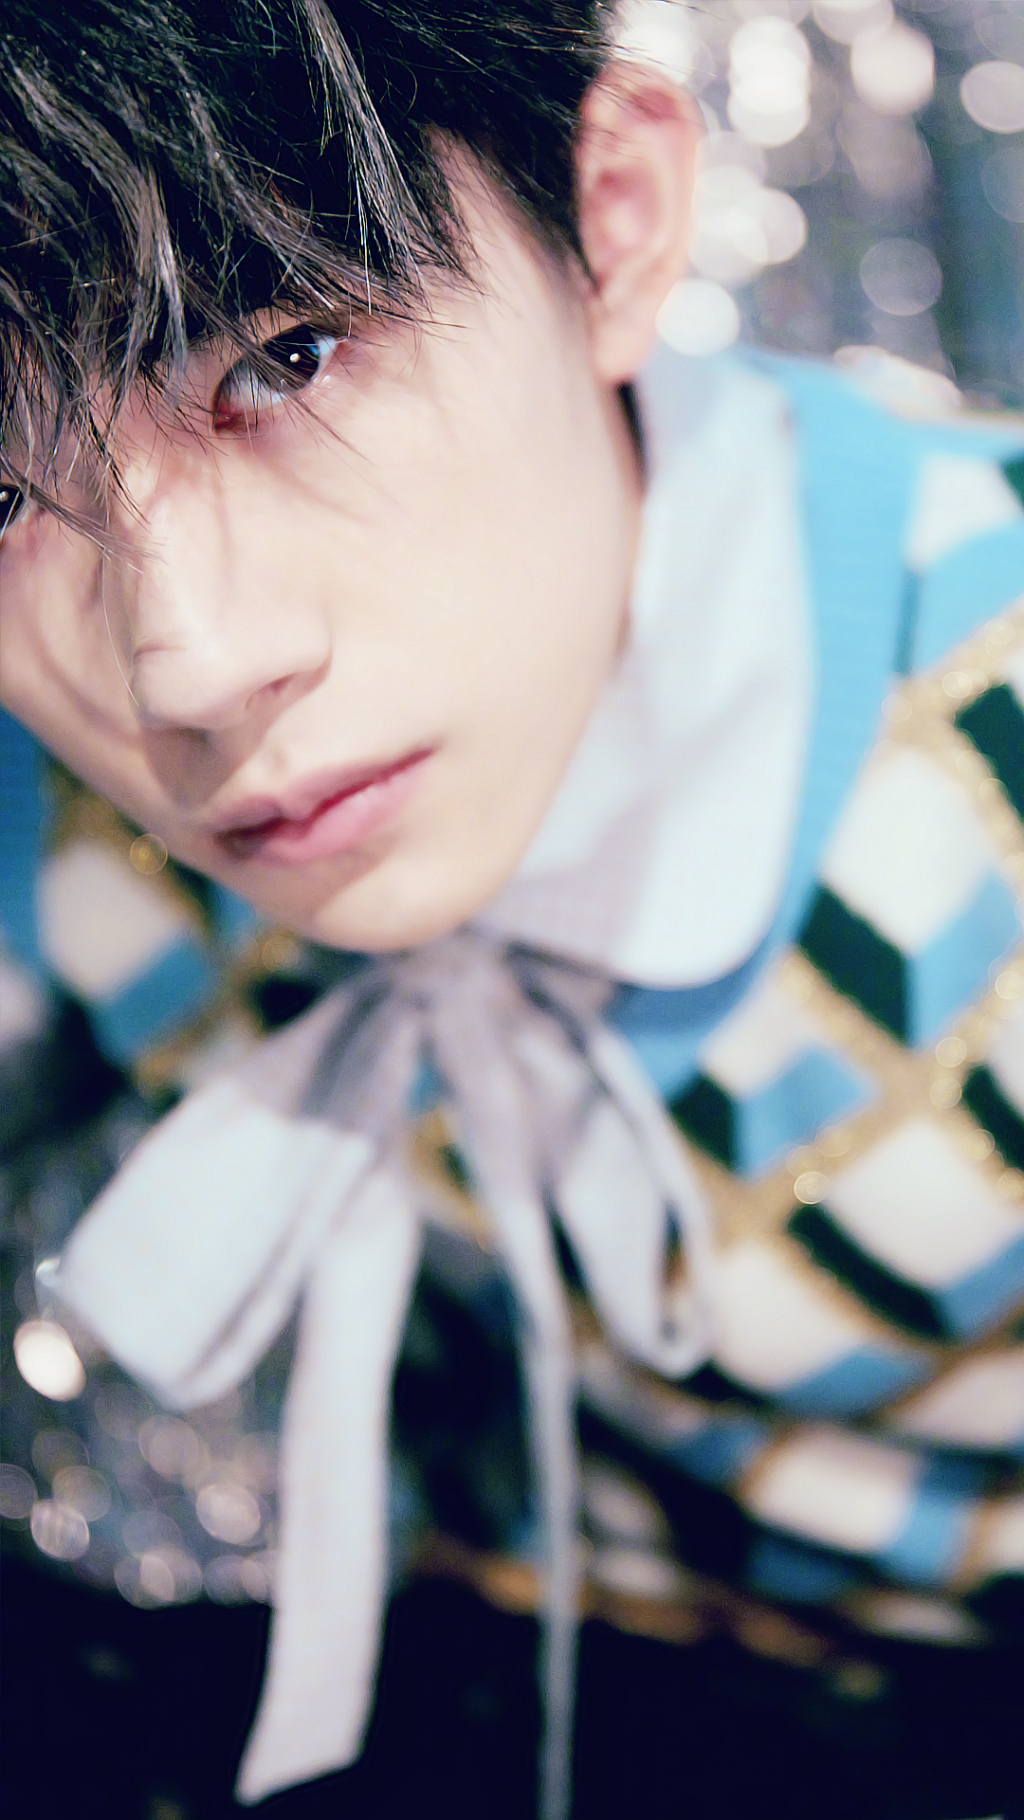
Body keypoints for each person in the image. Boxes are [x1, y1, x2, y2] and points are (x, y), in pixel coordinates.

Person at [1, 4, 1022, 1817]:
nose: (189, 661)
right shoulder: (68, 832)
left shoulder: (978, 763)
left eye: (293, 356)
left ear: (611, 219)